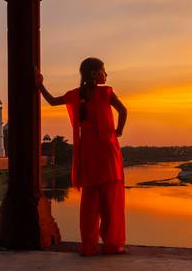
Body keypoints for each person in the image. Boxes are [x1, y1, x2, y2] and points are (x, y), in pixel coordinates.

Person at [36, 57, 128, 256]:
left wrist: (40, 85)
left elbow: (52, 101)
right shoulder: (106, 92)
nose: (107, 74)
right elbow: (123, 111)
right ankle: (112, 244)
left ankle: (89, 245)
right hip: (107, 152)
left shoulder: (76, 95)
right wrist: (118, 130)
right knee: (110, 201)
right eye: (104, 70)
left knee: (90, 202)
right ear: (95, 74)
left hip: (87, 154)